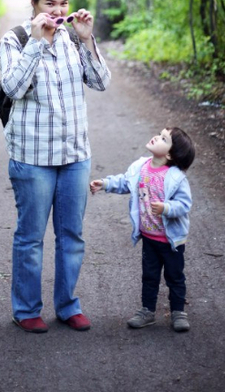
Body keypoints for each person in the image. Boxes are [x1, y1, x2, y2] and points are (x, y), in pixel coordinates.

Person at [0, 0, 111, 333]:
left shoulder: (72, 38)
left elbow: (100, 82)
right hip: (32, 158)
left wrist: (86, 37)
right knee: (30, 238)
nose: (59, 11)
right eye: (51, 2)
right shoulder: (14, 40)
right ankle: (27, 309)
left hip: (75, 155)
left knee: (72, 236)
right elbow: (13, 89)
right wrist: (37, 42)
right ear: (33, 2)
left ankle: (67, 305)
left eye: (64, 3)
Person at [90, 127, 195, 332]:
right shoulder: (141, 167)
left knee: (175, 276)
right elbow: (124, 182)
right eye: (160, 133)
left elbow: (184, 204)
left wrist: (166, 208)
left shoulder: (175, 177)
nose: (157, 137)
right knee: (149, 276)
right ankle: (147, 311)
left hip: (171, 239)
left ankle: (178, 312)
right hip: (149, 237)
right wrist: (105, 184)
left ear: (170, 154)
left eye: (164, 138)